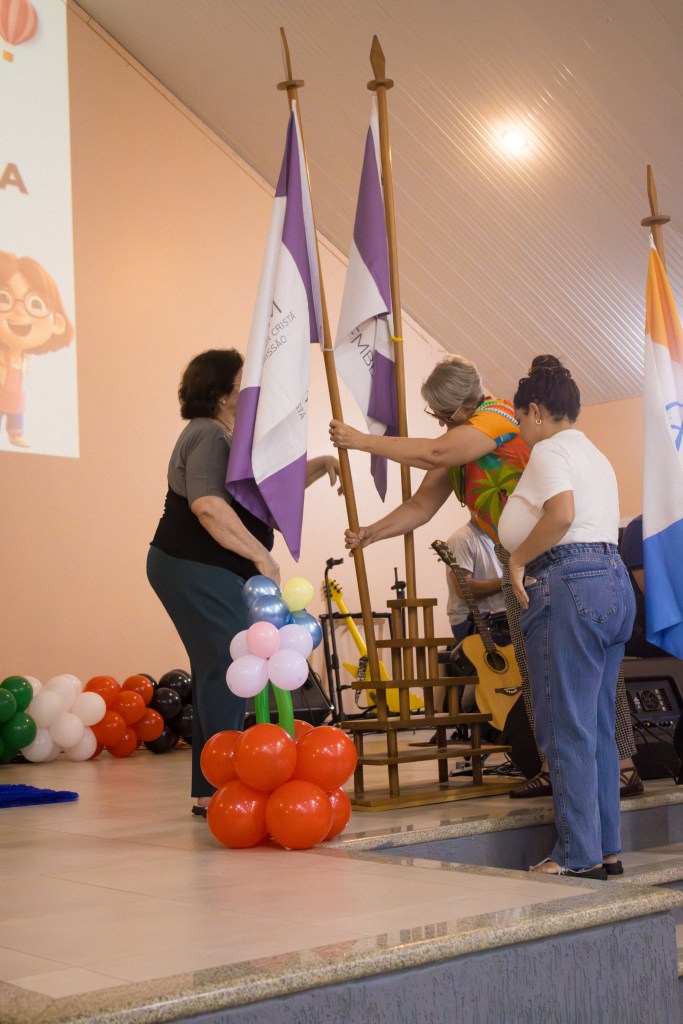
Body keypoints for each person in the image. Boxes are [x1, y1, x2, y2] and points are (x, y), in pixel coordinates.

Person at [147, 349, 340, 816]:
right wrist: (262, 557)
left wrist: (320, 464)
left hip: (202, 568)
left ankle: (211, 784)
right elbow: (208, 506)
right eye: (241, 382)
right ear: (220, 394)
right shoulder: (208, 434)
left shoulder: (226, 437)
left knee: (220, 666)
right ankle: (218, 785)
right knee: (226, 664)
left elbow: (259, 497)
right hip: (192, 565)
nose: (251, 390)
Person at [498, 355, 635, 878]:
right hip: (612, 579)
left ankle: (577, 857)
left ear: (535, 410)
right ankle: (605, 849)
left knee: (564, 726)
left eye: (520, 420)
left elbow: (561, 515)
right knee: (596, 726)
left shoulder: (549, 450)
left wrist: (516, 560)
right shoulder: (595, 453)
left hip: (568, 581)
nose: (521, 431)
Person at [0, 251, 74, 448]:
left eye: (35, 304)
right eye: (4, 299)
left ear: (57, 323)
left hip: (15, 394)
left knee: (16, 413)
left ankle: (15, 434)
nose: (19, 311)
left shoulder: (24, 358)